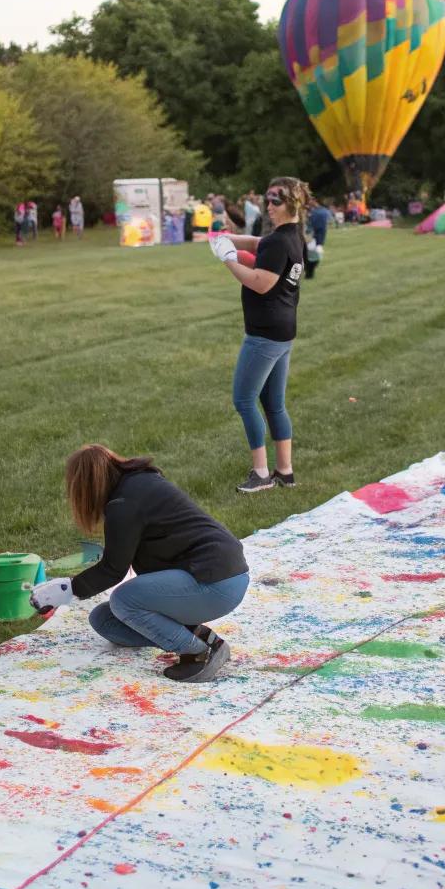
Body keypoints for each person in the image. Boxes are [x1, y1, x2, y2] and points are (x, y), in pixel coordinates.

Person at [28, 446, 248, 683]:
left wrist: (66, 590)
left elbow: (113, 569)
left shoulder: (124, 504)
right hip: (219, 574)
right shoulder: (139, 484)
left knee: (124, 600)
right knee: (104, 620)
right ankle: (203, 638)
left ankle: (198, 653)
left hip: (216, 581)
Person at [209, 175, 307, 493]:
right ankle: (285, 471)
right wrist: (230, 238)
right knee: (273, 403)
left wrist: (227, 259)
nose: (268, 205)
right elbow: (258, 244)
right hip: (283, 331)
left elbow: (260, 283)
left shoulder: (280, 241)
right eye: (267, 199)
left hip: (264, 334)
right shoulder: (292, 237)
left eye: (274, 200)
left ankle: (261, 474)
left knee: (244, 399)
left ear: (290, 204)